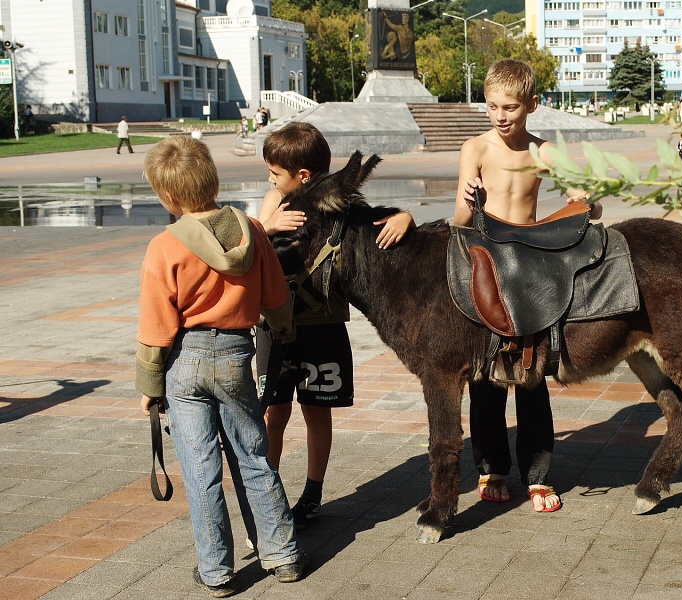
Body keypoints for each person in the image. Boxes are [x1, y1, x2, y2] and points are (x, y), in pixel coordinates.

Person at [136, 136, 306, 597]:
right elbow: (276, 298)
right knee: (252, 455)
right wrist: (284, 331)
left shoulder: (164, 246)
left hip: (183, 362)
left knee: (201, 467)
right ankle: (283, 555)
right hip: (235, 355)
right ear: (212, 178)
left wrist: (150, 384)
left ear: (167, 197)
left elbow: (156, 325)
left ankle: (216, 571)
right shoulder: (250, 228)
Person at [454, 59, 601, 513]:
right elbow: (459, 222)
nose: (501, 116)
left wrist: (585, 199)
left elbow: (587, 201)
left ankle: (537, 475)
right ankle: (491, 468)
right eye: (493, 106)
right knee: (485, 375)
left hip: (530, 266)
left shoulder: (542, 151)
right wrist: (467, 200)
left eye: (511, 107)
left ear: (532, 105)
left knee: (532, 374)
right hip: (486, 263)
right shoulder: (475, 149)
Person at [256, 122, 416, 530]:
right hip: (274, 329)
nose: (270, 179)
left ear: (303, 176)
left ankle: (312, 494)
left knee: (317, 411)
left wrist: (406, 217)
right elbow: (253, 238)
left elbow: (375, 219)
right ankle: (267, 493)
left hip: (322, 326)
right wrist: (270, 227)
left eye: (275, 172)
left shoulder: (335, 204)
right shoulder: (272, 202)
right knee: (273, 412)